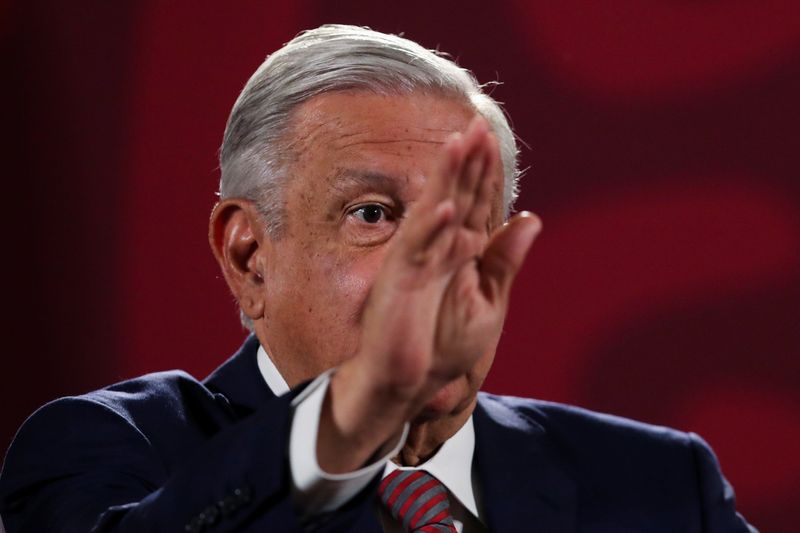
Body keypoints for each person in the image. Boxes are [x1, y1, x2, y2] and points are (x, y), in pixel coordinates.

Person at [0, 25, 755, 533]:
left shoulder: (660, 484)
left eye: (464, 220)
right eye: (373, 213)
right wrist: (359, 409)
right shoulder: (108, 449)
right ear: (248, 255)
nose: (434, 269)